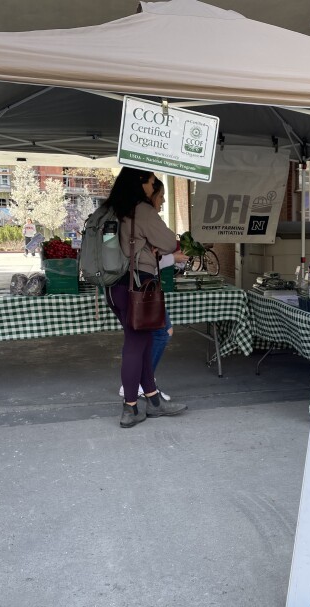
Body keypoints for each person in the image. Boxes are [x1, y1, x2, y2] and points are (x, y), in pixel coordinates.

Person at [103, 167, 187, 428]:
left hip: (113, 287)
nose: (153, 187)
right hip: (136, 287)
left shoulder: (111, 208)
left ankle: (153, 401)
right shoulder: (141, 209)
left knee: (144, 340)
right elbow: (169, 243)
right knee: (135, 345)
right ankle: (130, 407)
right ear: (140, 183)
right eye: (151, 182)